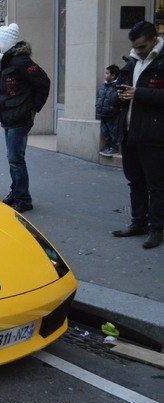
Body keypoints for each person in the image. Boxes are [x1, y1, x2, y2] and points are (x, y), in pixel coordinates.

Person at [111, 21, 164, 249]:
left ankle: (156, 229)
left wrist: (139, 93)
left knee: (157, 185)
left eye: (142, 47)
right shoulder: (132, 61)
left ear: (154, 40)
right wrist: (119, 97)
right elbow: (119, 94)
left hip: (155, 135)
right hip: (129, 132)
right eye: (135, 47)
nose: (138, 51)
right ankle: (138, 223)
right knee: (135, 182)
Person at [0, 23, 50, 213]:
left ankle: (24, 197)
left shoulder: (21, 62)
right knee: (13, 158)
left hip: (19, 117)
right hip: (9, 116)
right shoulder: (8, 61)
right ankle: (16, 192)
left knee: (16, 159)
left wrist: (33, 109)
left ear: (5, 43)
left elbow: (43, 82)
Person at [95, 64, 121, 157]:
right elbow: (99, 97)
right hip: (102, 113)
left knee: (112, 132)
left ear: (113, 75)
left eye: (107, 73)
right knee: (105, 132)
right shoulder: (103, 86)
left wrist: (112, 109)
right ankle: (109, 146)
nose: (104, 75)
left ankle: (114, 147)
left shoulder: (116, 86)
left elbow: (117, 100)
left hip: (111, 114)